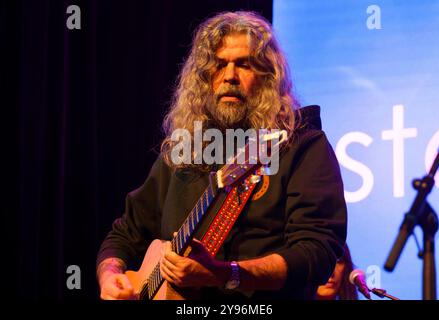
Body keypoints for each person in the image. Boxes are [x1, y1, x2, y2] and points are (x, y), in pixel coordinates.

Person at [96, 11, 347, 300]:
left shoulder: (301, 146)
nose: (229, 76)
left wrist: (227, 274)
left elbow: (317, 252)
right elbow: (125, 234)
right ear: (204, 78)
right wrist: (110, 275)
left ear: (268, 77)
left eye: (244, 65)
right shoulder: (184, 152)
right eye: (218, 65)